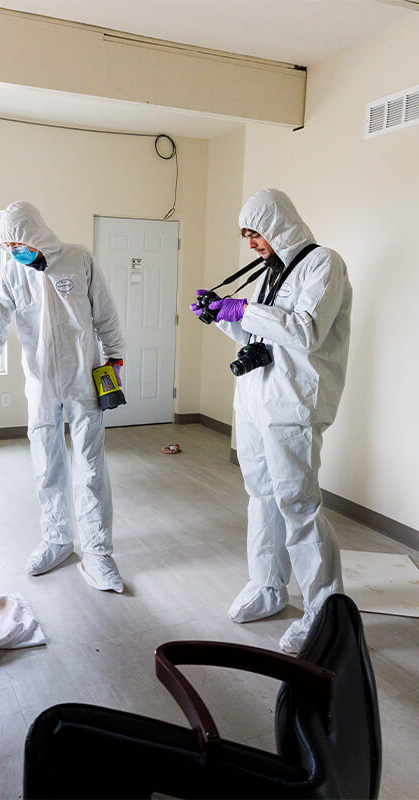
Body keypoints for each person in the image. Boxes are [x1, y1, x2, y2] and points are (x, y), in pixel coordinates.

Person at [192, 188, 352, 653]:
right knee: (260, 494)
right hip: (257, 398)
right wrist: (222, 316)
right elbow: (257, 331)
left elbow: (305, 331)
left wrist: (244, 307)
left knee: (298, 505)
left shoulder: (324, 264)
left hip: (294, 402)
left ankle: (324, 613)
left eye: (255, 233)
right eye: (246, 236)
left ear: (278, 225)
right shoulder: (274, 272)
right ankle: (268, 586)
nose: (252, 245)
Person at [0, 201, 125, 592]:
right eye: (7, 247)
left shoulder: (78, 259)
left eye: (18, 243)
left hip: (85, 379)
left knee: (90, 465)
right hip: (41, 384)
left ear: (36, 234)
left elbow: (106, 315)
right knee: (47, 463)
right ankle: (57, 539)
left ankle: (98, 551)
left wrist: (115, 360)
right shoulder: (11, 276)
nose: (13, 251)